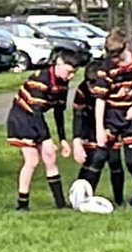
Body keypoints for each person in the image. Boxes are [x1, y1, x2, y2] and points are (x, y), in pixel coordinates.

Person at [76, 29, 132, 206]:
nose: (115, 59)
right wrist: (100, 129)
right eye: (111, 55)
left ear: (126, 47)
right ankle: (86, 198)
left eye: (118, 55)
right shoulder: (106, 68)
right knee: (100, 157)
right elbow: (100, 101)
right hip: (113, 115)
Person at [5, 48, 85, 211]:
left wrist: (62, 139)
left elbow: (58, 111)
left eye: (74, 73)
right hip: (22, 119)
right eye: (69, 72)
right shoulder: (40, 80)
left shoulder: (62, 83)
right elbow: (35, 111)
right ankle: (22, 204)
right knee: (32, 160)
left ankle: (60, 204)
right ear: (59, 64)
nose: (70, 77)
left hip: (36, 117)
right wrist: (46, 139)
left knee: (50, 159)